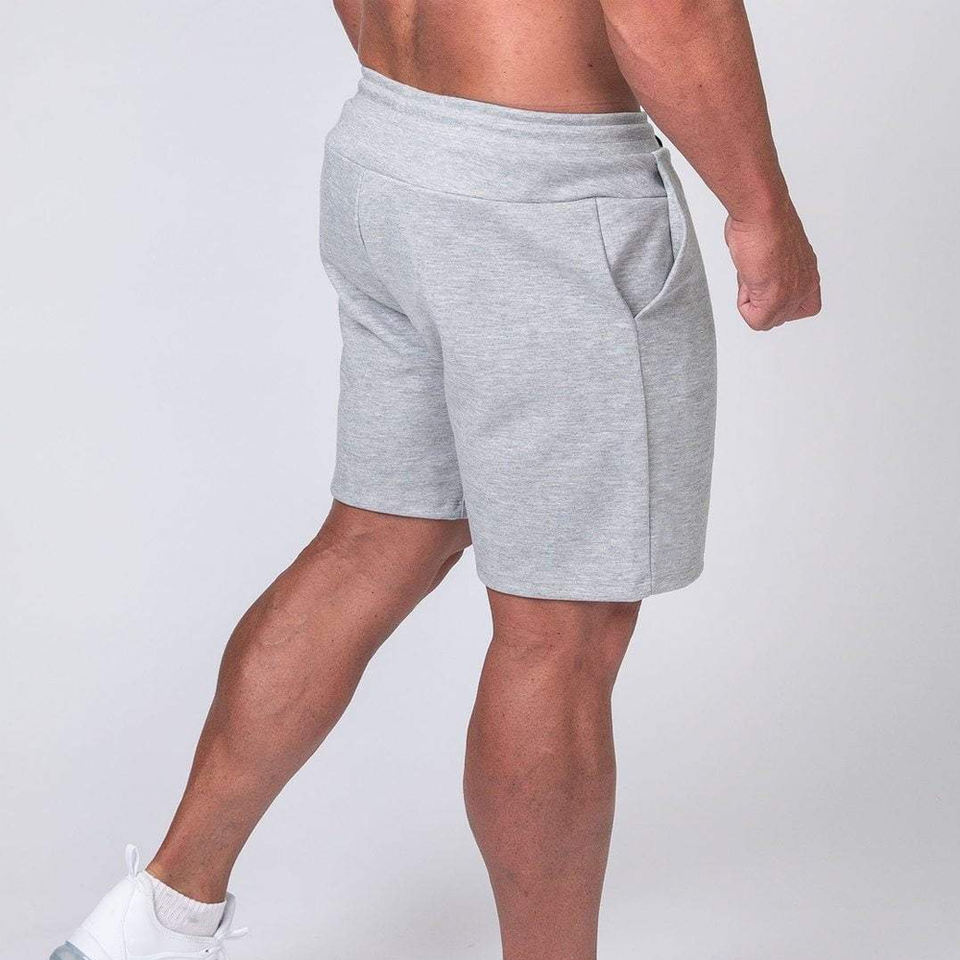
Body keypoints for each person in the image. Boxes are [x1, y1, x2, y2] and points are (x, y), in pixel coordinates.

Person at [51, 1, 821, 958]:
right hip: (543, 191)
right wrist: (760, 208)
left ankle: (155, 922)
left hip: (390, 145)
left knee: (376, 540)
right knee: (560, 632)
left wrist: (441, 113)